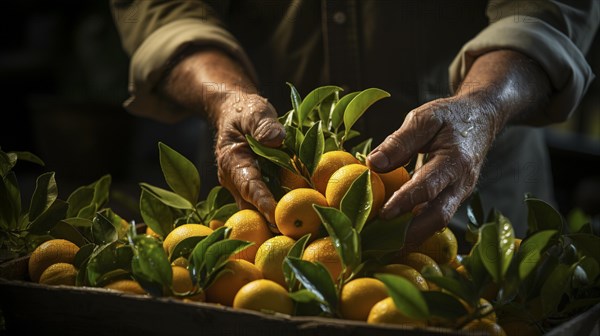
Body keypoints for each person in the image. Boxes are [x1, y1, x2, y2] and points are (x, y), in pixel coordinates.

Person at [110, 1, 598, 246]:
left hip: (479, 200)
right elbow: (163, 10)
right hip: (258, 213)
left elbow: (546, 11)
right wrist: (224, 97)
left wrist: (483, 108)